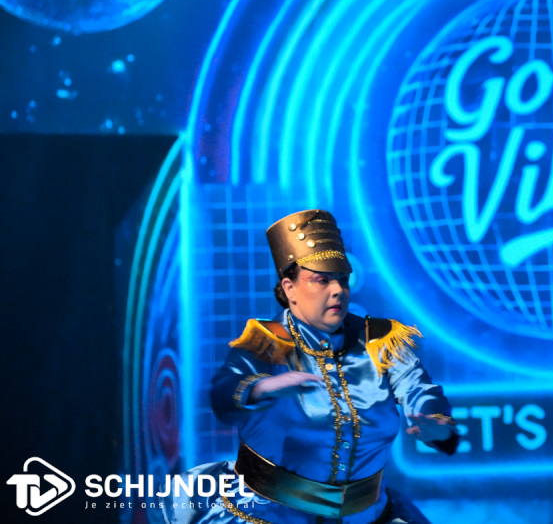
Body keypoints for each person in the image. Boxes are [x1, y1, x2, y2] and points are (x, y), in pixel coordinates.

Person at [162, 209, 458, 523]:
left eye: (342, 280)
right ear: (290, 288)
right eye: (322, 280)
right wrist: (263, 388)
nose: (338, 290)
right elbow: (224, 395)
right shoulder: (267, 341)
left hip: (366, 515)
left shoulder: (381, 340)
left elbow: (420, 391)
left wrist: (435, 423)